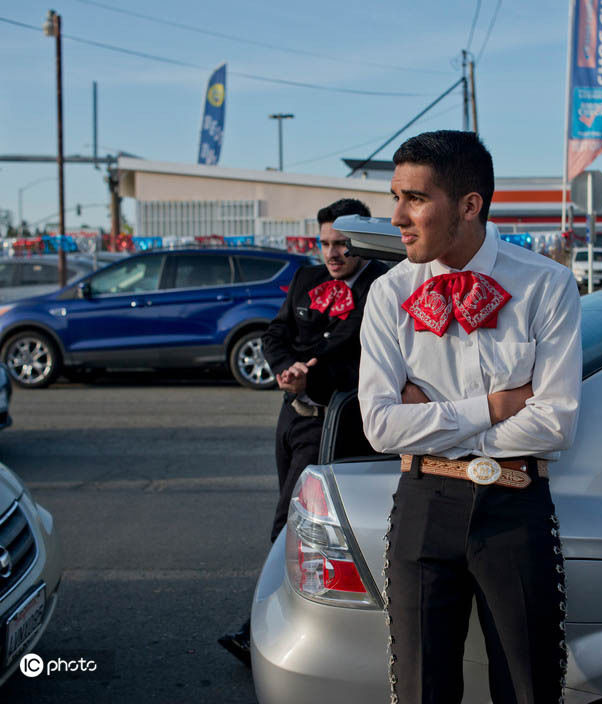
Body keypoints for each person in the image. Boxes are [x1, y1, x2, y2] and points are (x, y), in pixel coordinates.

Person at [358, 130, 582, 704]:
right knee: (421, 690)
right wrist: (494, 407)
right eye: (395, 197)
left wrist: (431, 420)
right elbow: (381, 426)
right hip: (423, 505)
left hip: (514, 505)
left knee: (528, 688)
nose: (398, 216)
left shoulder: (545, 285)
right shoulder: (389, 294)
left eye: (415, 199)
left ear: (469, 204)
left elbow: (555, 423)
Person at [218, 197, 388, 667]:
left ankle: (260, 634)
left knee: (290, 525)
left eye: (343, 245)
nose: (332, 255)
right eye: (325, 244)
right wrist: (285, 366)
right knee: (294, 526)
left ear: (363, 244)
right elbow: (276, 333)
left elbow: (352, 354)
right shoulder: (306, 279)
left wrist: (308, 367)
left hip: (335, 425)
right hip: (292, 416)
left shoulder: (382, 286)